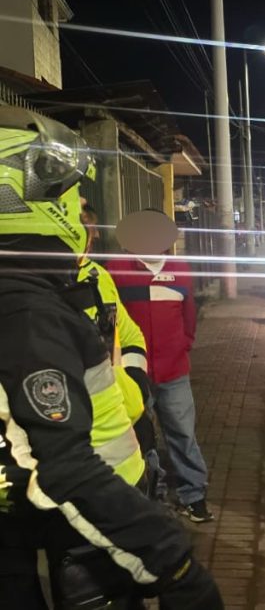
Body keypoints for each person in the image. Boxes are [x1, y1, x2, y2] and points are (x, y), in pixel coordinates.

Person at [0, 108, 223, 608]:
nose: (82, 206)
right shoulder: (28, 312)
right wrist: (175, 563)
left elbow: (131, 329)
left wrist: (137, 382)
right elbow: (65, 466)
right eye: (68, 193)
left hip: (75, 506)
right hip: (81, 520)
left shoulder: (58, 287)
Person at [106, 210, 214, 523]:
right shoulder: (115, 270)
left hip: (174, 370)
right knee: (142, 435)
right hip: (133, 373)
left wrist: (183, 345)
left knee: (183, 433)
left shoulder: (180, 270)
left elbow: (189, 317)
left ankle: (194, 495)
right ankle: (154, 493)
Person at [79, 203, 161, 498]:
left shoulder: (99, 276)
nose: (95, 237)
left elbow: (128, 333)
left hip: (123, 420)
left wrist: (136, 381)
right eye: (88, 230)